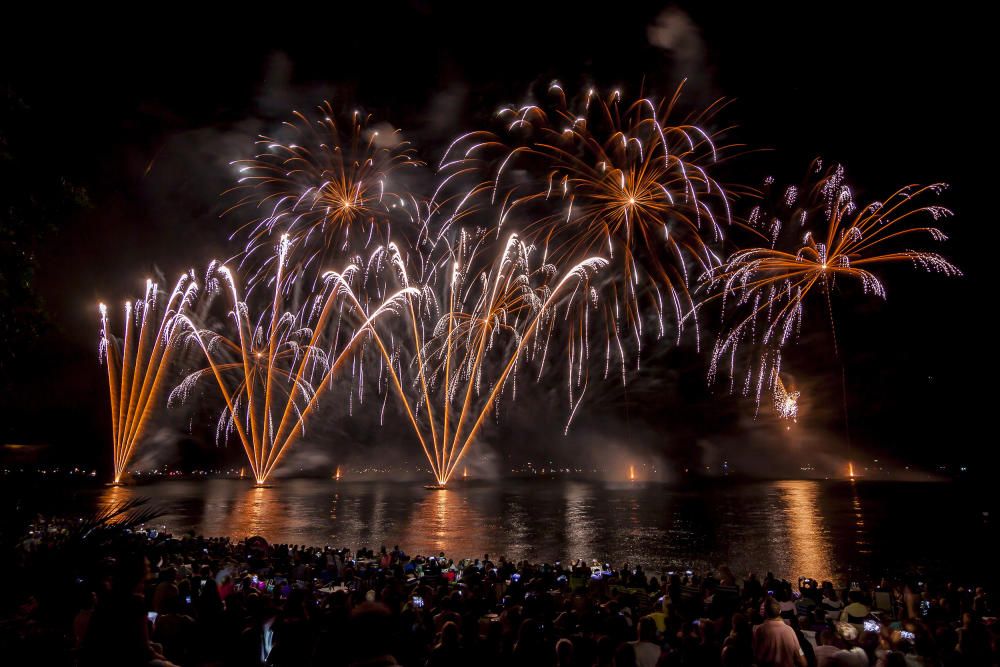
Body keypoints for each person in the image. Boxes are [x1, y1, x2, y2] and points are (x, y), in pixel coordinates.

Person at [753, 597, 807, 667]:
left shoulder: (759, 630)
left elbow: (757, 656)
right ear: (780, 611)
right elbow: (800, 655)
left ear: (765, 613)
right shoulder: (789, 630)